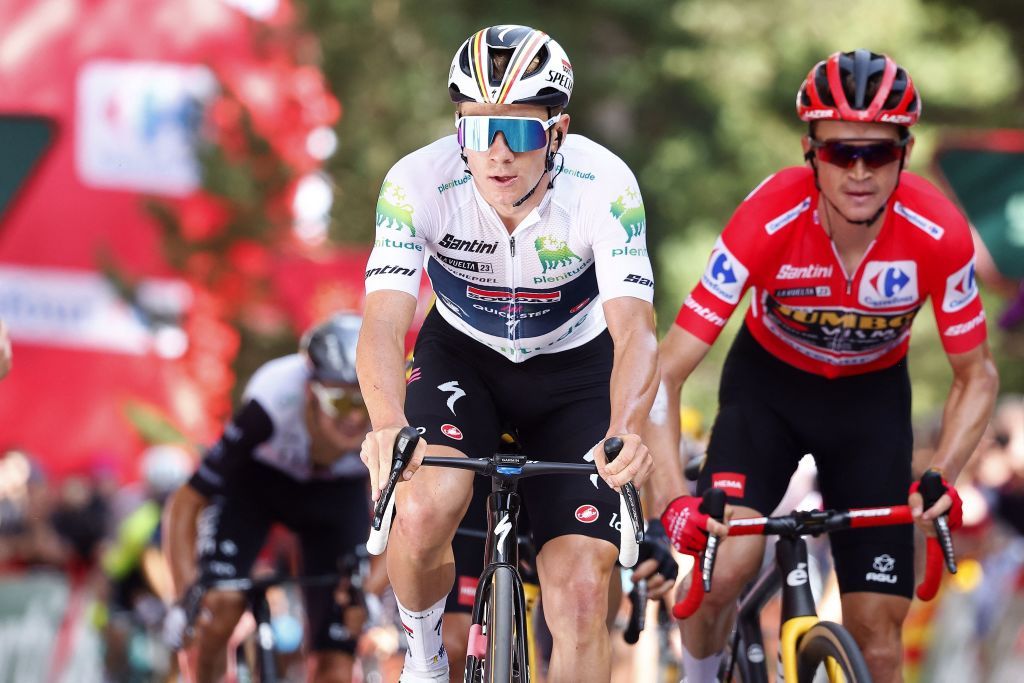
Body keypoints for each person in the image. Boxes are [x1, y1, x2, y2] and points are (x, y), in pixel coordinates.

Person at [647, 49, 1000, 683]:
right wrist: (675, 499)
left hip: (869, 408)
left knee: (879, 637)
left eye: (879, 152)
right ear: (811, 151)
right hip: (767, 394)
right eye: (841, 152)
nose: (859, 171)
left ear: (906, 151)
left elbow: (977, 375)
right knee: (728, 564)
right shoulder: (768, 217)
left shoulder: (940, 233)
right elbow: (667, 370)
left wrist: (944, 470)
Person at [357, 24, 666, 682]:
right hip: (461, 359)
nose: (497, 154)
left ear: (557, 131)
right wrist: (386, 424)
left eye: (520, 132)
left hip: (576, 373)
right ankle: (424, 652)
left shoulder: (603, 185)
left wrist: (625, 432)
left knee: (583, 595)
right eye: (476, 130)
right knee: (421, 506)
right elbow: (383, 322)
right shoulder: (418, 182)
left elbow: (635, 329)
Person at [162, 313, 375, 683]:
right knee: (220, 607)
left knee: (338, 659)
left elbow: (406, 519)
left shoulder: (395, 410)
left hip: (337, 500)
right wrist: (185, 596)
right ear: (310, 391)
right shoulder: (273, 398)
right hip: (256, 487)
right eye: (340, 402)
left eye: (366, 403)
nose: (355, 418)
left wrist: (369, 592)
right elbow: (187, 500)